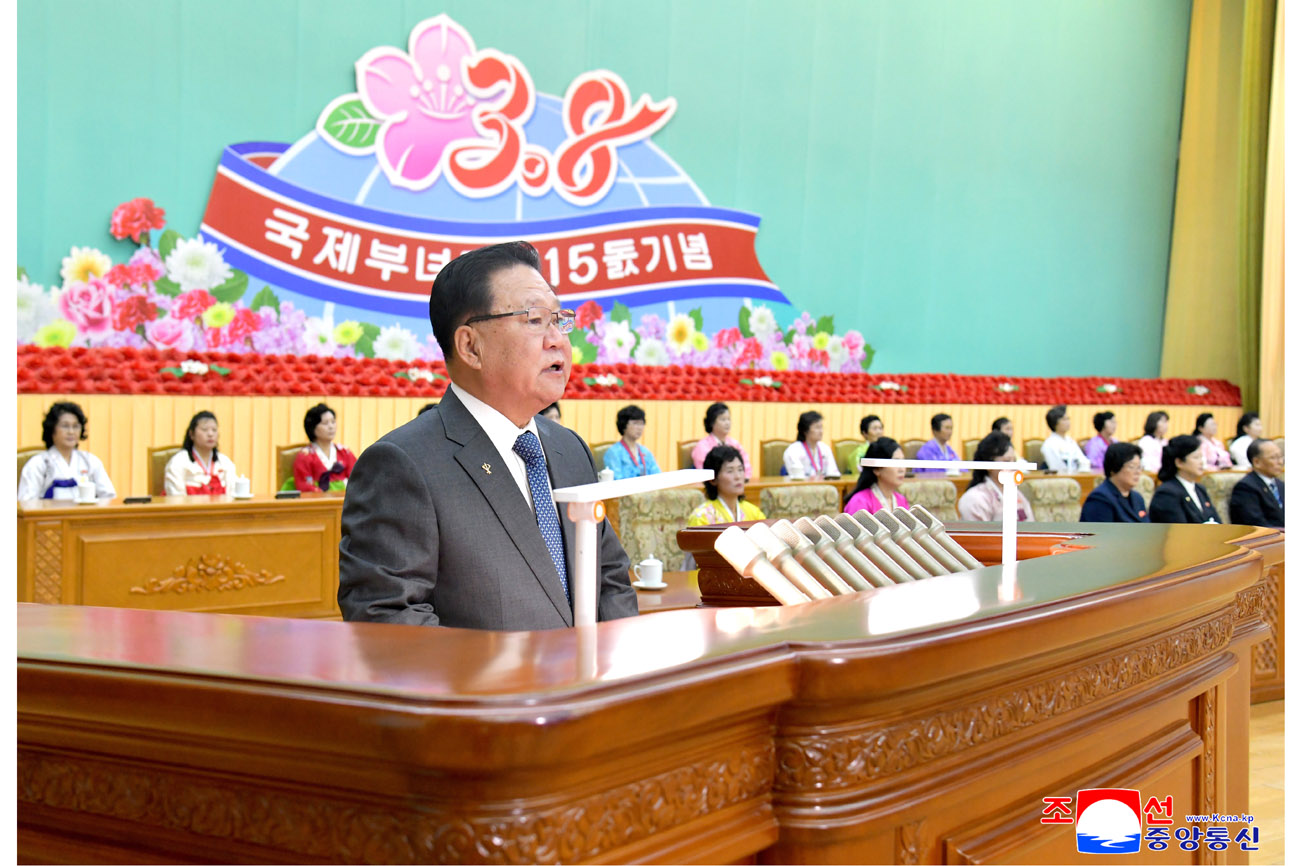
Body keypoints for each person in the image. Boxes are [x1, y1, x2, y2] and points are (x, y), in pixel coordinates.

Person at [338, 240, 636, 630]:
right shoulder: (402, 464)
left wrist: (610, 672)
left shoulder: (569, 449)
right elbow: (386, 617)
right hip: (491, 691)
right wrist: (509, 680)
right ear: (470, 347)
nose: (558, 339)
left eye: (559, 319)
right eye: (534, 320)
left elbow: (609, 575)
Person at [18, 401, 116, 501]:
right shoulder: (38, 464)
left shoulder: (90, 461)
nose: (71, 432)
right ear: (52, 430)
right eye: (65, 426)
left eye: (76, 426)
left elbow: (109, 497)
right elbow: (26, 503)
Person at [957, 432, 1034, 522]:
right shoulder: (975, 497)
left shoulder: (1017, 494)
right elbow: (979, 534)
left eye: (1014, 461)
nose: (1013, 466)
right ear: (989, 465)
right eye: (1007, 461)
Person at [1149, 435, 1221, 524]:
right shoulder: (1167, 493)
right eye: (1196, 457)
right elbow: (1178, 531)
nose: (1202, 462)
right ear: (1179, 462)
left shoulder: (1200, 489)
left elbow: (1218, 522)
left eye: (1202, 457)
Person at [686, 445, 765, 526]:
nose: (738, 476)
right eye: (730, 471)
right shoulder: (702, 517)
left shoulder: (754, 513)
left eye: (740, 469)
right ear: (713, 479)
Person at [164, 410, 238, 495]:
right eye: (204, 429)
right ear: (191, 434)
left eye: (214, 430)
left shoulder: (225, 462)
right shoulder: (178, 462)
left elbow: (234, 494)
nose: (210, 434)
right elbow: (175, 499)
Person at [292, 403, 358, 492]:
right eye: (325, 423)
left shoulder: (344, 452)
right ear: (312, 428)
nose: (331, 427)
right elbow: (303, 485)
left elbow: (357, 478)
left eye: (333, 422)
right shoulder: (305, 456)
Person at [1080, 442, 1150, 522]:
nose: (1138, 472)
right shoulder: (1100, 499)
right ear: (1114, 469)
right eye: (1132, 467)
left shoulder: (1137, 498)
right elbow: (1101, 533)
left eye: (1139, 467)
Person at [844, 437, 910, 515]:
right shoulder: (860, 501)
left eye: (903, 462)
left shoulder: (902, 500)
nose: (902, 469)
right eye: (895, 462)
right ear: (877, 469)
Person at [1228, 439, 1284, 527]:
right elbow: (1255, 523)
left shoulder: (1281, 485)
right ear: (1256, 462)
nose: (1280, 462)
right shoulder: (1245, 488)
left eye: (1280, 457)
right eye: (1273, 458)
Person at [691, 402, 753, 479]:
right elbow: (705, 472)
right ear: (712, 423)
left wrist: (745, 479)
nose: (727, 423)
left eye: (728, 419)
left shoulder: (734, 444)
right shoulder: (702, 446)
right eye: (723, 419)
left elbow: (746, 466)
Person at [602, 404, 661, 479]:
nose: (640, 428)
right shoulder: (613, 452)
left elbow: (657, 475)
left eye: (642, 423)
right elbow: (616, 480)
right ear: (624, 425)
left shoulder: (645, 451)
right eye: (635, 423)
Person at [782, 410, 840, 480]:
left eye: (821, 427)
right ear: (805, 430)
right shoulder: (793, 450)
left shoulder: (825, 448)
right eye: (817, 427)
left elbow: (833, 474)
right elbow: (797, 478)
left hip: (824, 488)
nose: (821, 431)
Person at [1040, 405, 1091, 473]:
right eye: (1064, 419)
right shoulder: (1049, 445)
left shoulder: (1070, 441)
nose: (1068, 422)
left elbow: (1083, 461)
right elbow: (1056, 468)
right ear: (1055, 423)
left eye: (1068, 419)